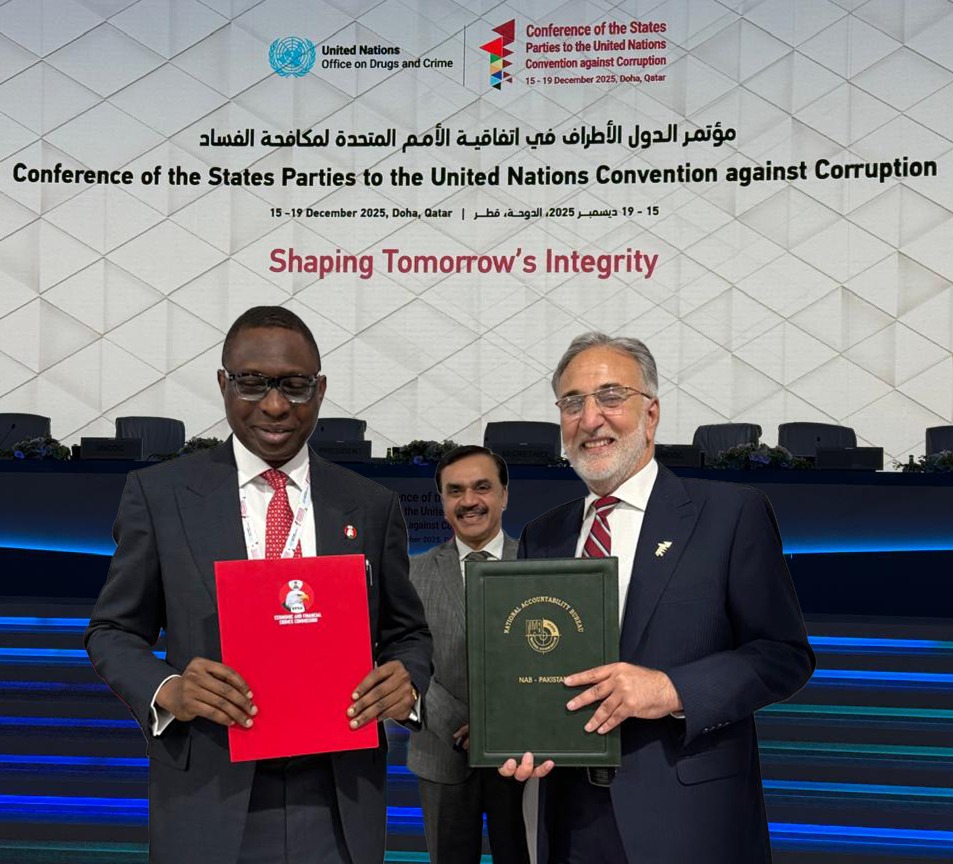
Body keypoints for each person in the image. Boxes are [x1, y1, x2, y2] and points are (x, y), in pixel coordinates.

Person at [85, 306, 432, 864]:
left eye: (295, 386)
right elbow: (112, 631)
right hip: (209, 794)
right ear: (224, 383)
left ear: (320, 390)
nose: (274, 406)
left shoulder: (370, 505)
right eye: (252, 383)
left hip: (338, 800)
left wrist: (407, 682)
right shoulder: (160, 495)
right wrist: (168, 689)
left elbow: (408, 635)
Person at [500, 332, 815, 863]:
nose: (590, 418)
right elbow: (535, 665)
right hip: (569, 821)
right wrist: (517, 731)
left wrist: (671, 689)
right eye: (572, 403)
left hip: (688, 822)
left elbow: (784, 656)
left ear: (651, 414)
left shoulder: (730, 514)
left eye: (610, 396)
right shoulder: (542, 534)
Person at [407, 445, 530, 864]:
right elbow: (400, 659)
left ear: (504, 495)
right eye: (455, 491)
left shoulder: (538, 566)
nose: (469, 501)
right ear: (442, 501)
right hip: (441, 754)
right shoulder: (413, 574)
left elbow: (555, 662)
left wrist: (496, 728)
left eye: (482, 487)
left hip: (523, 758)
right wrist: (457, 723)